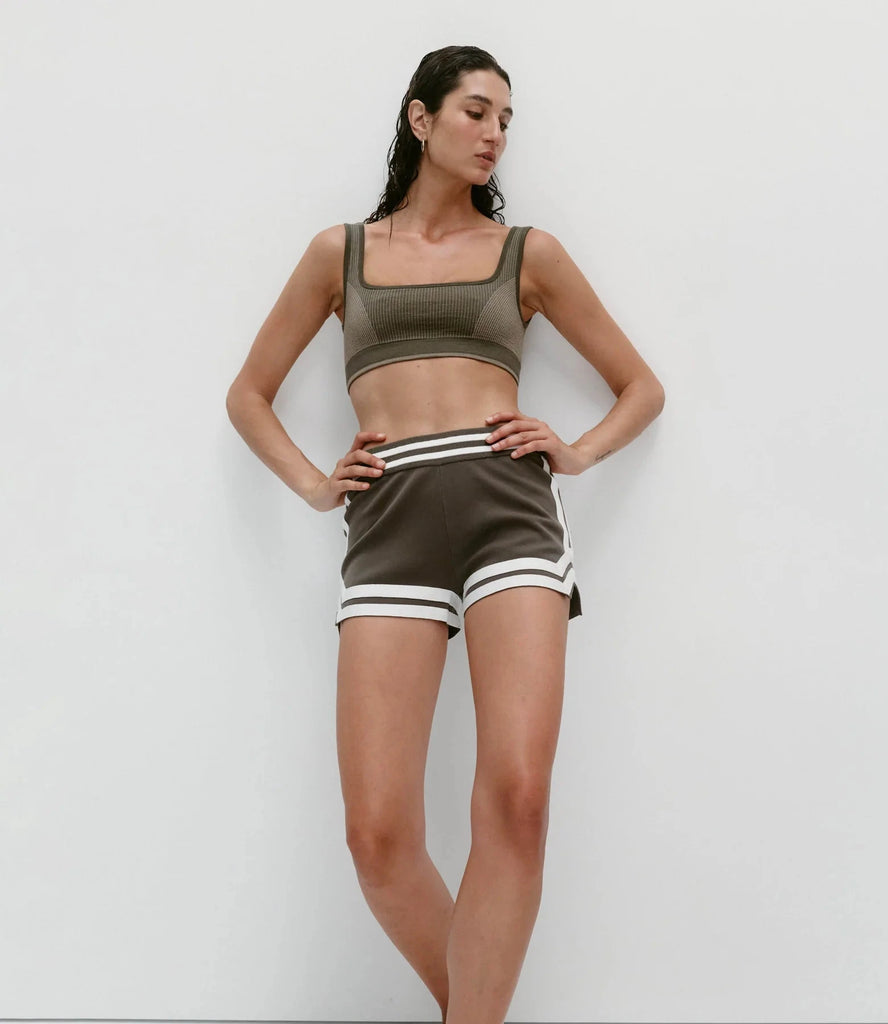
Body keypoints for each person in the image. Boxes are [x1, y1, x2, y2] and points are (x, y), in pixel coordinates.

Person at [226, 44, 664, 1024]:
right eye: (475, 111)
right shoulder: (338, 255)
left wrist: (575, 450)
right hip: (388, 531)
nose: (494, 133)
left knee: (517, 800)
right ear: (420, 120)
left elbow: (642, 387)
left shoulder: (527, 255)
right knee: (378, 837)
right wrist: (314, 485)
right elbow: (248, 395)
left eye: (506, 119)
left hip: (510, 517)